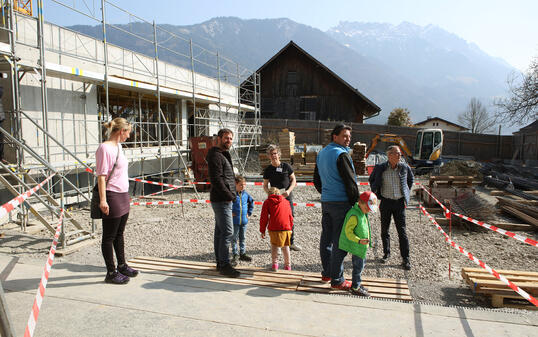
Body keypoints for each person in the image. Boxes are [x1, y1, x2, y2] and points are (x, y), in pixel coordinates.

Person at [314, 124, 359, 290]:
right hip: (341, 203)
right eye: (344, 136)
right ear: (335, 137)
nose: (348, 139)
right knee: (340, 241)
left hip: (327, 202)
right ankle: (337, 279)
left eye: (349, 136)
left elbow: (317, 180)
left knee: (326, 238)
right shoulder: (342, 154)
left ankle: (327, 273)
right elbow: (351, 183)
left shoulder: (322, 153)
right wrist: (356, 203)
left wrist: (326, 192)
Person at [96, 117, 138, 284]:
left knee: (119, 233)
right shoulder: (104, 148)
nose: (128, 136)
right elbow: (101, 176)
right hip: (111, 194)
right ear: (121, 131)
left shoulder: (119, 147)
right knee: (109, 236)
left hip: (122, 193)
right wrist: (103, 200)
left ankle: (121, 265)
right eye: (128, 133)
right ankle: (111, 272)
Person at [369, 145, 414, 270]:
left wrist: (406, 191)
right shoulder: (380, 168)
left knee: (402, 231)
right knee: (385, 230)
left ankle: (405, 258)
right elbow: (371, 179)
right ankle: (386, 253)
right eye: (396, 153)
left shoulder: (404, 168)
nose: (399, 155)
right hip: (386, 203)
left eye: (400, 153)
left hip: (399, 203)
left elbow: (411, 180)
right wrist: (376, 192)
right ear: (389, 155)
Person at [207, 128, 240, 278]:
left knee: (220, 232)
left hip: (222, 199)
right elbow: (217, 180)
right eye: (226, 138)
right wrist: (230, 196)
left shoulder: (222, 154)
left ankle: (220, 263)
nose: (229, 141)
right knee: (228, 232)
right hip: (222, 200)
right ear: (219, 139)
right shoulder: (215, 156)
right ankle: (225, 265)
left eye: (231, 138)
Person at [338, 191, 378, 296]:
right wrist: (359, 240)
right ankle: (355, 287)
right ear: (360, 203)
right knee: (358, 267)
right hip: (357, 246)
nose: (368, 211)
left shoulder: (362, 212)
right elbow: (348, 232)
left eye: (370, 209)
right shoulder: (354, 215)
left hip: (361, 246)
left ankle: (357, 283)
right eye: (367, 208)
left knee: (361, 265)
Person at [262, 144, 301, 251]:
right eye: (271, 154)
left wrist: (288, 191)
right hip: (275, 200)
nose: (274, 156)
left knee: (289, 218)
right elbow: (265, 185)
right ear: (268, 156)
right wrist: (270, 194)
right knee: (276, 220)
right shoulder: (268, 170)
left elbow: (294, 180)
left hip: (287, 197)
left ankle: (291, 242)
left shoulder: (286, 166)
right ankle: (277, 243)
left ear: (279, 154)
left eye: (275, 153)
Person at [259, 187, 293, 271]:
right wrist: (290, 227)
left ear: (269, 194)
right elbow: (290, 216)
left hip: (274, 227)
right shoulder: (286, 202)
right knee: (286, 246)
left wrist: (262, 230)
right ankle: (288, 266)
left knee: (274, 245)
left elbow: (264, 217)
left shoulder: (267, 202)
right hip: (286, 227)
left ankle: (275, 264)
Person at [231, 175, 254, 263]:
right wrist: (230, 212)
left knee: (243, 238)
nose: (243, 186)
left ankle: (242, 253)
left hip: (244, 221)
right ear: (235, 184)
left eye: (244, 184)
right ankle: (235, 254)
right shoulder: (232, 194)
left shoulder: (246, 194)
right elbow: (226, 204)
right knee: (234, 238)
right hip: (235, 221)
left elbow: (251, 202)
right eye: (241, 185)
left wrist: (249, 213)